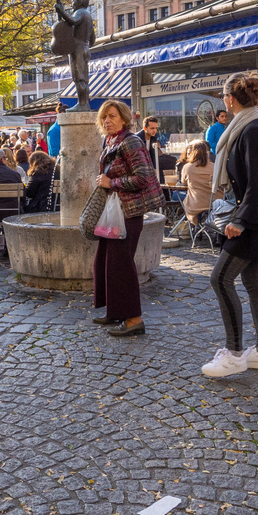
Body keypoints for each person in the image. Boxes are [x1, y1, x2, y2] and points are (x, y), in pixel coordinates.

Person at [204, 72, 258, 377]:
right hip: (257, 219)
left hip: (253, 221)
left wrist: (239, 220)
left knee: (220, 279)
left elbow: (257, 184)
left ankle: (235, 353)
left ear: (230, 99)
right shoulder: (249, 127)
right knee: (253, 283)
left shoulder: (251, 131)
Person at [90, 100, 160, 337]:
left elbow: (144, 178)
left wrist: (113, 183)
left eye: (111, 116)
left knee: (121, 266)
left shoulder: (131, 141)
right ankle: (116, 311)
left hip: (128, 212)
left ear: (124, 118)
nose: (107, 121)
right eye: (104, 117)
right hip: (114, 211)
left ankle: (134, 319)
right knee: (106, 262)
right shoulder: (111, 141)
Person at [178, 142, 214, 225]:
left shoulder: (188, 167)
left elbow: (183, 183)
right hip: (215, 202)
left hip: (196, 203)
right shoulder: (214, 166)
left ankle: (195, 226)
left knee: (178, 195)